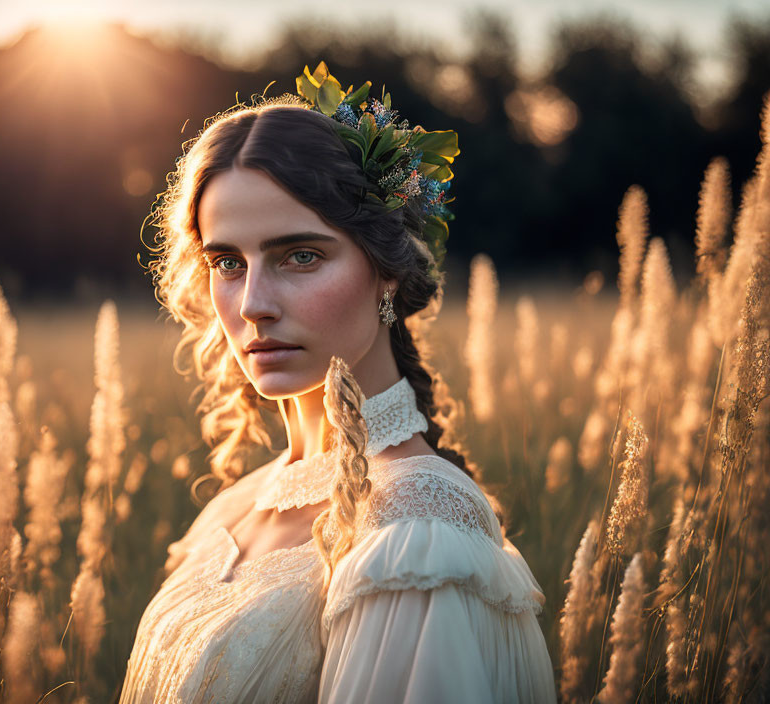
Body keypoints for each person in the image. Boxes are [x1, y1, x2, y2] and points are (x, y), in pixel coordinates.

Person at [120, 62, 556, 703]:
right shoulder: (234, 507)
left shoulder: (417, 536)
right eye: (228, 262)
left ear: (385, 271)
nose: (253, 305)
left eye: (301, 255)